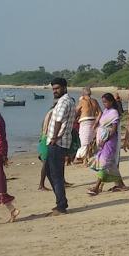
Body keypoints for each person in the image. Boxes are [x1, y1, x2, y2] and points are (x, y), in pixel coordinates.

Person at [44, 78, 76, 215]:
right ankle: (61, 201)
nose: (54, 91)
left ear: (64, 87)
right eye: (53, 89)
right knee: (50, 172)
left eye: (57, 88)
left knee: (56, 174)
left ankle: (61, 205)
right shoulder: (68, 101)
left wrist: (54, 137)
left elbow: (58, 120)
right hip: (59, 141)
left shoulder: (64, 102)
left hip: (57, 142)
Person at [73, 87, 99, 164]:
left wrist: (74, 119)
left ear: (83, 94)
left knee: (84, 142)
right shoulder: (95, 101)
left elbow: (76, 111)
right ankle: (85, 159)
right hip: (93, 121)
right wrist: (97, 122)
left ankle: (79, 157)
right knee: (89, 142)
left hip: (85, 122)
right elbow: (100, 112)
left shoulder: (82, 101)